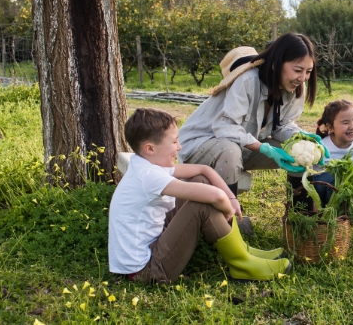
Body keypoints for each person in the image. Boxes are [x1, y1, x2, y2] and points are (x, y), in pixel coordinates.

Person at [108, 108, 290, 284]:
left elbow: (204, 169)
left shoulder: (144, 164)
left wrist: (232, 198)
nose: (179, 147)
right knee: (201, 204)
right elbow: (216, 197)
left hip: (152, 248)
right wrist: (228, 208)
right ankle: (242, 264)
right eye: (174, 142)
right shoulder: (149, 175)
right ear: (150, 149)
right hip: (147, 270)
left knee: (200, 180)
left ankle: (243, 251)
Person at [178, 33, 327, 199]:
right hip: (199, 146)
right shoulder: (248, 80)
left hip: (238, 146)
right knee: (230, 150)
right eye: (298, 70)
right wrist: (263, 148)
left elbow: (282, 125)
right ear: (275, 64)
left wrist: (301, 136)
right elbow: (225, 127)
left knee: (302, 151)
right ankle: (227, 220)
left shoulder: (294, 87)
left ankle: (302, 218)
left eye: (308, 71)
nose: (303, 78)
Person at [310, 99, 353, 212]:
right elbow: (309, 174)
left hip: (348, 187)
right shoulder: (321, 145)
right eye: (345, 123)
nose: (352, 126)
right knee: (335, 175)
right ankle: (330, 212)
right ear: (330, 127)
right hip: (323, 186)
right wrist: (314, 202)